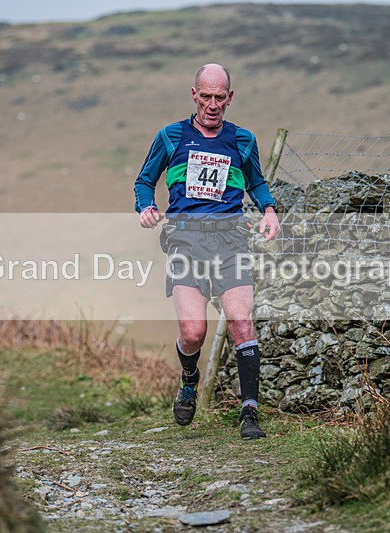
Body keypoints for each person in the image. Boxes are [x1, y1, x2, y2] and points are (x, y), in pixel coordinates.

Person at [134, 63, 280, 439]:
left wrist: (269, 210)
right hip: (186, 241)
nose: (212, 105)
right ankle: (188, 378)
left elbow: (257, 182)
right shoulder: (170, 136)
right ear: (194, 94)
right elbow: (144, 181)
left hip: (231, 241)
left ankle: (250, 415)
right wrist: (146, 207)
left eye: (220, 97)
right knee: (194, 331)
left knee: (241, 322)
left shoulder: (243, 140)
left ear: (229, 98)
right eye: (206, 96)